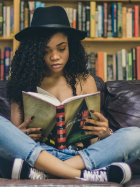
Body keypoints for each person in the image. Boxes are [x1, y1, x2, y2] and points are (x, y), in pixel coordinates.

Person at [0, 6, 140, 184]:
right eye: (46, 51)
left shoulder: (85, 81)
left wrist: (105, 133)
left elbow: (93, 142)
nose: (55, 57)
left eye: (61, 48)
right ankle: (83, 174)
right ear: (34, 52)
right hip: (36, 152)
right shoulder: (21, 82)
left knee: (135, 135)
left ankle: (45, 172)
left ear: (70, 47)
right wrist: (19, 135)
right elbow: (14, 140)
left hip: (80, 154)